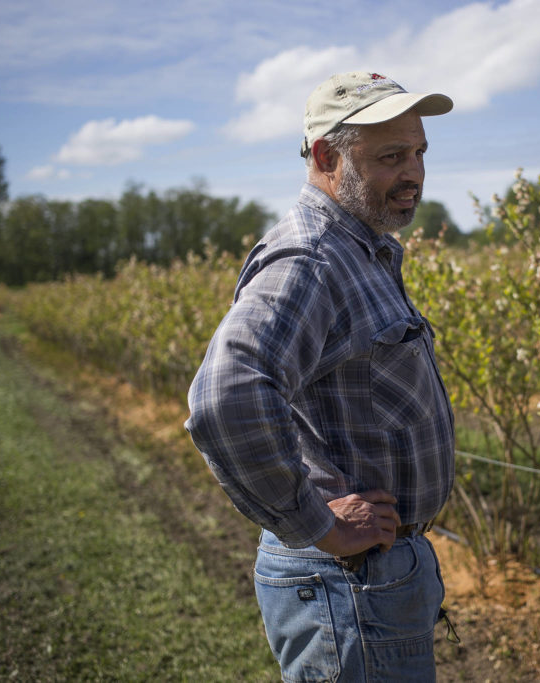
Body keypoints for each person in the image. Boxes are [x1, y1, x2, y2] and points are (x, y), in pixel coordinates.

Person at [185, 71, 456, 682]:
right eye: (391, 156)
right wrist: (320, 526)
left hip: (373, 581)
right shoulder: (313, 259)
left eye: (419, 153)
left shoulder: (362, 249)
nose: (414, 172)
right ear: (327, 157)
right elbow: (225, 397)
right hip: (349, 586)